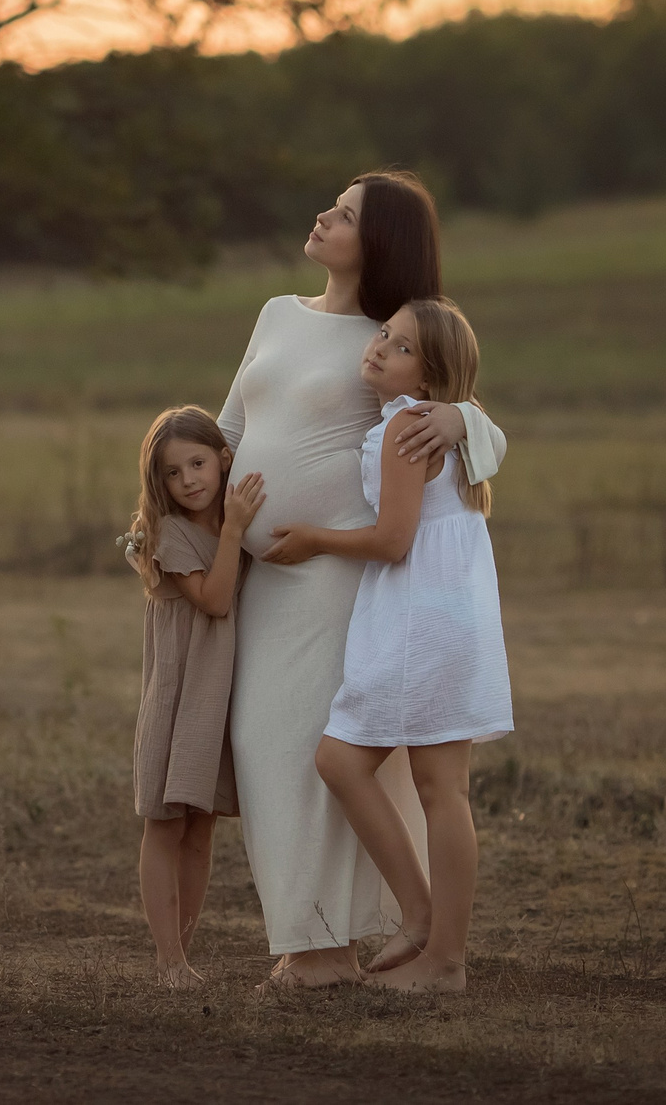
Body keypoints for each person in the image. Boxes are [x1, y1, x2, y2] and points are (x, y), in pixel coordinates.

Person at [219, 170, 506, 991]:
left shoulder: (393, 339)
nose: (322, 216)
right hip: (266, 573)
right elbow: (230, 428)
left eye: (344, 215)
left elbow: (475, 429)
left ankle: (324, 946)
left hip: (339, 581)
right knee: (265, 748)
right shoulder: (277, 312)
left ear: (376, 242)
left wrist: (462, 416)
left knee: (313, 752)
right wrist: (173, 511)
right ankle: (326, 936)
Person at [122, 407, 268, 987]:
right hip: (179, 698)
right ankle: (168, 961)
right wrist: (234, 531)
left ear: (224, 460)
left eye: (198, 464)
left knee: (202, 828)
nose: (188, 480)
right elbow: (214, 600)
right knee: (165, 824)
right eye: (172, 472)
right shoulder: (170, 533)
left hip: (217, 697)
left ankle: (182, 956)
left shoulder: (236, 522)